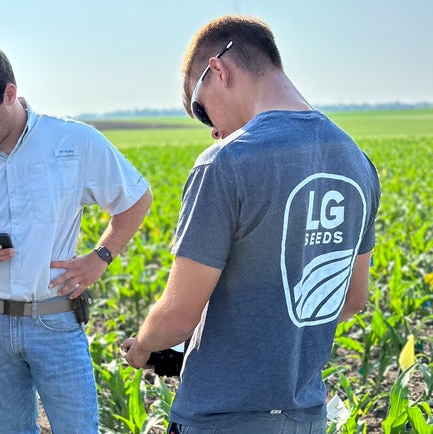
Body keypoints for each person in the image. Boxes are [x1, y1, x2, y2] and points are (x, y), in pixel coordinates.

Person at [121, 15, 381, 434]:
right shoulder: (356, 160)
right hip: (306, 415)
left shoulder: (226, 162)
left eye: (201, 111)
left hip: (222, 417)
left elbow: (177, 317)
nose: (213, 132)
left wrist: (143, 347)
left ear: (219, 70)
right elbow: (352, 298)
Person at [0, 41, 152, 433]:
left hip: (54, 321)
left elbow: (136, 198)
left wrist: (100, 257)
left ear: (9, 94)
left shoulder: (73, 142)